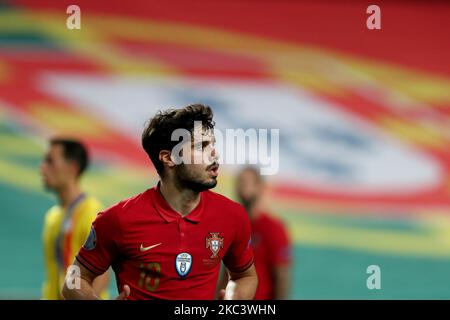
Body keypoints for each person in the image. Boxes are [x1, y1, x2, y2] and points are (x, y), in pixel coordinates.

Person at [62, 104, 258, 300]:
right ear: (168, 158)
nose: (214, 154)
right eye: (200, 146)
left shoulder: (232, 215)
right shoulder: (118, 219)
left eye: (212, 144)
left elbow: (244, 276)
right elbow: (72, 282)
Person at [40, 138, 109, 299]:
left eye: (50, 161)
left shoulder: (92, 213)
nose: (42, 167)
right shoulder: (53, 216)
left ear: (72, 168)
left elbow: (101, 276)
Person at [235, 166, 291, 299]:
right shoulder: (235, 225)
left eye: (245, 183)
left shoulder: (273, 227)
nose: (240, 188)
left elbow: (282, 275)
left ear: (259, 187)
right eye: (239, 183)